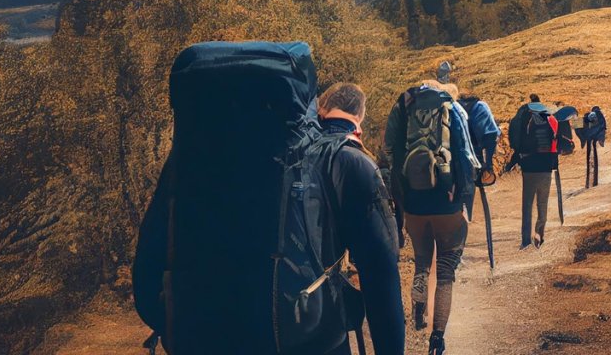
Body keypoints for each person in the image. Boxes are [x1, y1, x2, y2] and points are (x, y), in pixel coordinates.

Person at [133, 43, 403, 355]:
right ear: (304, 94)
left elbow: (146, 276)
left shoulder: (187, 164)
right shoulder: (343, 162)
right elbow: (382, 283)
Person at [385, 80, 477, 355]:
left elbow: (390, 150)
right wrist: (464, 197)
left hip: (414, 203)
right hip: (447, 202)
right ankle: (437, 338)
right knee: (446, 272)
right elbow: (465, 155)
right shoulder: (451, 107)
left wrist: (401, 196)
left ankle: (418, 303)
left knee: (422, 261)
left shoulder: (403, 105)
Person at [316, 83, 407, 355]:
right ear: (360, 115)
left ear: (323, 108)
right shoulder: (353, 161)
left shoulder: (294, 152)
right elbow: (382, 276)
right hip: (318, 325)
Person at [504, 94, 560, 249]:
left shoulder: (523, 117)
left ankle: (525, 239)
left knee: (527, 204)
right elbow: (557, 141)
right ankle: (539, 234)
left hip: (528, 167)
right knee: (542, 203)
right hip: (546, 166)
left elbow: (516, 141)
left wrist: (515, 160)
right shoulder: (549, 117)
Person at [580, 106, 607, 188]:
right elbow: (603, 128)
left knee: (588, 159)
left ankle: (587, 183)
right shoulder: (601, 116)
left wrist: (582, 138)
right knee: (595, 159)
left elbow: (577, 124)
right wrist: (601, 139)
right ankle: (595, 182)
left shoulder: (586, 115)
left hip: (588, 138)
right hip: (595, 139)